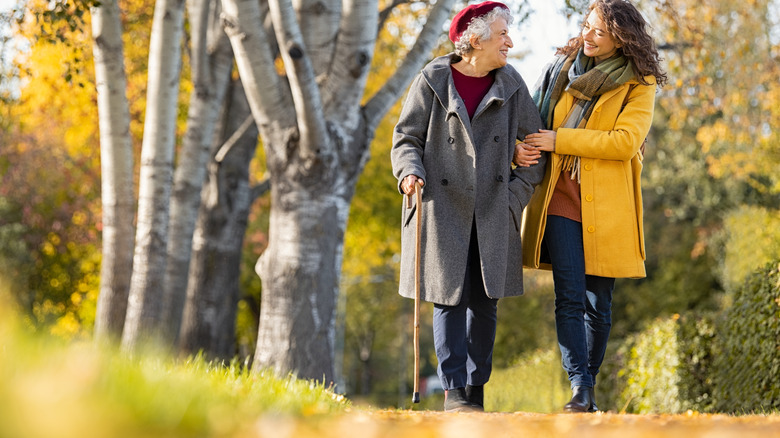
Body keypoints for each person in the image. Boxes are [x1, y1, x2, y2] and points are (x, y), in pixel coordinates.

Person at [391, 1, 546, 412]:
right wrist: (409, 172)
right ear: (474, 41)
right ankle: (454, 392)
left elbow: (536, 150)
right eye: (502, 35)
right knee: (449, 299)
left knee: (484, 302)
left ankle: (477, 390)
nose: (510, 42)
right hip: (442, 207)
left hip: (494, 208)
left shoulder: (512, 83)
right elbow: (406, 139)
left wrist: (514, 198)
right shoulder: (433, 80)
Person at [515, 0, 667, 413]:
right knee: (569, 296)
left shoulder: (640, 83)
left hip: (609, 205)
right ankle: (580, 388)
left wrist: (559, 140)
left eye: (598, 31)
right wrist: (520, 144)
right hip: (560, 197)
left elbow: (623, 142)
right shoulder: (560, 69)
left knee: (599, 303)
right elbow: (529, 117)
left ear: (621, 39)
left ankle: (589, 386)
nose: (587, 35)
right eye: (586, 25)